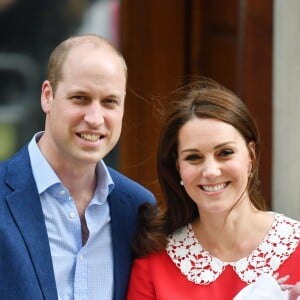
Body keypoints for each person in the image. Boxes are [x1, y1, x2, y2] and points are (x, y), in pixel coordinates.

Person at [0, 34, 155, 300]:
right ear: (48, 96)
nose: (95, 118)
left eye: (109, 102)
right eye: (80, 98)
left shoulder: (137, 208)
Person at [126, 78, 300, 299]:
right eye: (194, 157)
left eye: (225, 153)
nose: (210, 171)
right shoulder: (153, 264)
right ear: (178, 167)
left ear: (251, 156)